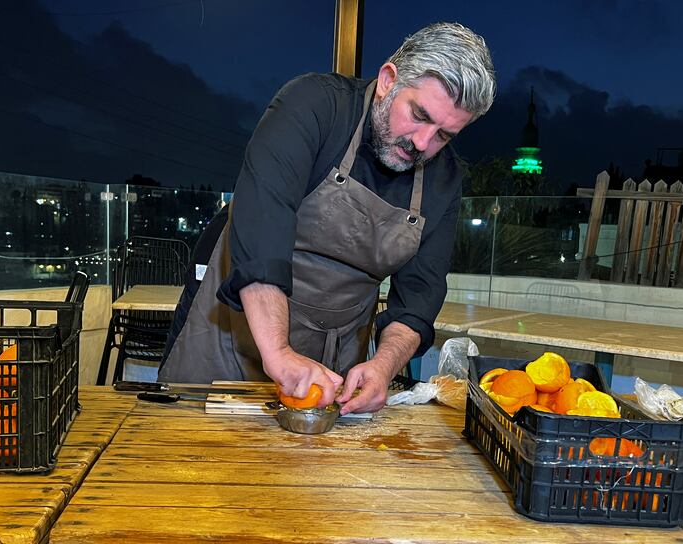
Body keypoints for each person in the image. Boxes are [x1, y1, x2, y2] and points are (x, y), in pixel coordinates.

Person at [158, 22, 496, 415]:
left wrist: (382, 368)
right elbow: (263, 229)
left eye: (443, 135)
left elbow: (418, 299)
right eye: (419, 115)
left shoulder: (444, 179)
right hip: (233, 333)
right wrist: (280, 352)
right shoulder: (315, 105)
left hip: (333, 359)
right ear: (388, 80)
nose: (422, 143)